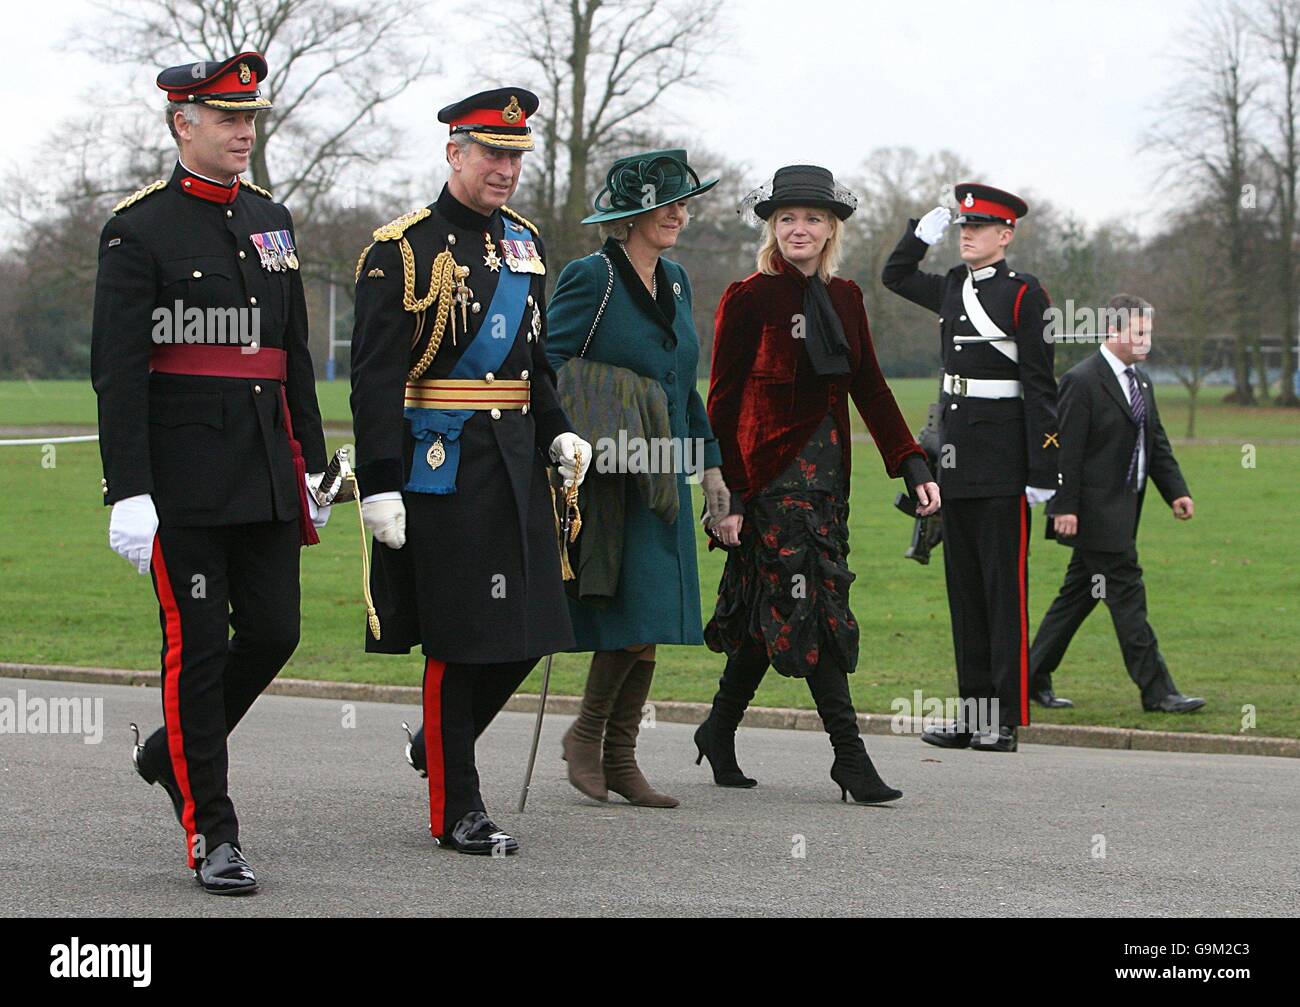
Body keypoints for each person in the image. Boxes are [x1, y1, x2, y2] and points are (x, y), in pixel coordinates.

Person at [94, 52, 328, 894]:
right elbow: (119, 371)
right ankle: (212, 835)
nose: (243, 131)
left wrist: (315, 464)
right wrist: (129, 490)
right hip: (182, 479)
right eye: (227, 118)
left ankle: (169, 752)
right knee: (196, 655)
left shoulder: (272, 218)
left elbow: (290, 353)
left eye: (250, 117)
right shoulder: (139, 228)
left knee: (274, 633)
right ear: (181, 123)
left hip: (267, 465)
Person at [350, 87, 591, 855]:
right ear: (454, 152)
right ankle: (460, 804)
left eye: (516, 154)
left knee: (535, 625)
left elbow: (536, 364)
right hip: (439, 466)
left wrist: (560, 432)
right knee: (457, 637)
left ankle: (439, 741)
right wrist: (380, 482)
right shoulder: (403, 249)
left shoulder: (524, 243)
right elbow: (375, 379)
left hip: (518, 461)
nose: (506, 168)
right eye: (492, 152)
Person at [700, 165, 939, 804]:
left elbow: (870, 386)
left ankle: (717, 729)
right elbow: (720, 403)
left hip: (829, 480)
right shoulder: (749, 296)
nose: (798, 229)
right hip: (769, 480)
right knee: (813, 608)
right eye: (786, 220)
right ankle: (850, 758)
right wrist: (727, 495)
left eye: (810, 219)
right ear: (772, 229)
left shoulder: (847, 298)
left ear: (831, 228)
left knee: (768, 604)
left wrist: (911, 461)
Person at [544, 148, 726, 808]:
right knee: (630, 611)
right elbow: (551, 365)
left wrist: (710, 465)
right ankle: (586, 737)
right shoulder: (590, 277)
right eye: (666, 203)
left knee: (652, 613)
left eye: (683, 202)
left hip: (664, 473)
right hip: (609, 472)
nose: (679, 212)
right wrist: (610, 404)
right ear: (629, 216)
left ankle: (619, 756)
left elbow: (684, 385)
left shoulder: (676, 280)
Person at [882, 183, 1060, 753]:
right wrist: (917, 238)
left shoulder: (1024, 294)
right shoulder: (955, 285)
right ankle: (972, 711)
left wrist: (1043, 470)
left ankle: (1003, 721)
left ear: (1005, 236)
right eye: (961, 227)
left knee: (1002, 594)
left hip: (1005, 465)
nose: (966, 235)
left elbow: (1040, 386)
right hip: (956, 462)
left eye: (977, 228)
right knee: (965, 594)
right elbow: (895, 277)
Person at [1029, 295, 1203, 713]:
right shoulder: (1082, 380)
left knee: (1077, 597)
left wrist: (1176, 491)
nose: (1146, 340)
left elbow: (1154, 443)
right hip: (1093, 514)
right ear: (1113, 330)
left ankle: (1028, 678)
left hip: (1125, 510)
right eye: (1139, 332)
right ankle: (1158, 691)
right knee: (1128, 596)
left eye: (1149, 332)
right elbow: (1065, 450)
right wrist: (1063, 507)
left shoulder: (1140, 381)